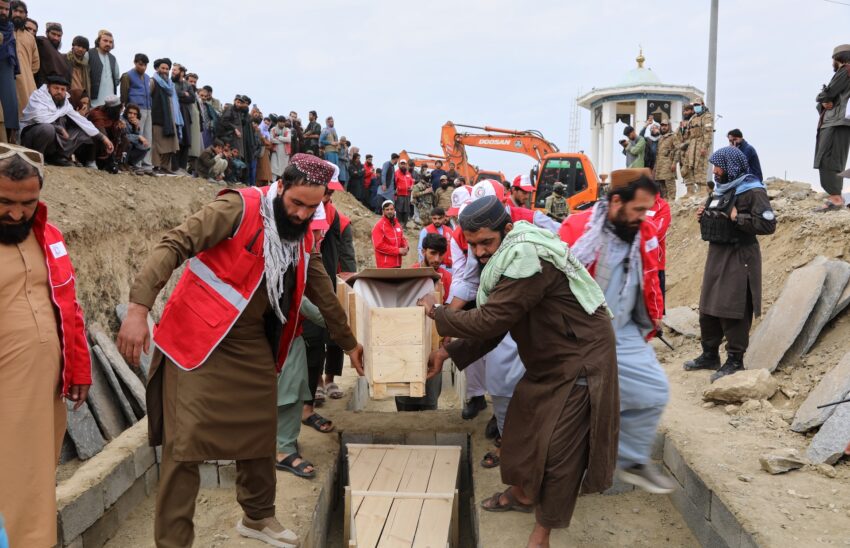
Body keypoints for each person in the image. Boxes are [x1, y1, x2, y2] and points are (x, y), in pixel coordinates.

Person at [116, 153, 364, 548]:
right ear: (279, 186)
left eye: (311, 208)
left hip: (250, 343)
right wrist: (137, 308)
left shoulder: (303, 236)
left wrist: (350, 344)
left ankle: (257, 516)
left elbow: (322, 290)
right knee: (185, 445)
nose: (301, 214)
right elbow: (175, 243)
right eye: (296, 203)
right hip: (197, 341)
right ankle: (173, 541)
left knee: (261, 433)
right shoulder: (239, 207)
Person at [421, 195, 618, 548]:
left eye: (486, 242)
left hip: (580, 358)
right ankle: (524, 493)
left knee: (558, 451)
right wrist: (446, 352)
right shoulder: (508, 260)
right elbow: (497, 324)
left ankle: (542, 534)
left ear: (507, 230)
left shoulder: (529, 258)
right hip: (549, 359)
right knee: (521, 425)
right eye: (473, 245)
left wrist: (438, 313)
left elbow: (489, 320)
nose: (480, 252)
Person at [562, 168, 676, 495]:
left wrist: (652, 317)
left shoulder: (644, 231)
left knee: (654, 392)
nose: (643, 217)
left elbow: (651, 278)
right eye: (638, 209)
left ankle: (630, 460)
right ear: (615, 202)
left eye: (646, 210)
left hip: (624, 331)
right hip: (578, 335)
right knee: (574, 410)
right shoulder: (577, 230)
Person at [0, 144, 91, 547]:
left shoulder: (49, 236)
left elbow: (70, 306)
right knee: (11, 479)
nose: (16, 214)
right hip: (7, 392)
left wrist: (79, 368)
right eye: (5, 202)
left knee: (37, 477)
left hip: (46, 390)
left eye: (28, 203)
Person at [684, 147, 776, 381]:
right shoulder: (720, 190)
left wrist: (737, 217)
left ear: (731, 167)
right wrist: (704, 216)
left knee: (734, 308)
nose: (715, 171)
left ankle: (735, 360)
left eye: (718, 166)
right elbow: (718, 216)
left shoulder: (753, 191)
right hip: (717, 255)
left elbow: (768, 225)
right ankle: (709, 355)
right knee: (708, 307)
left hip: (740, 256)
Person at [396, 232, 451, 412]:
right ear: (423, 251)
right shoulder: (411, 273)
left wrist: (446, 338)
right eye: (432, 253)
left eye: (441, 254)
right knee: (406, 395)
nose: (437, 259)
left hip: (435, 343)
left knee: (430, 396)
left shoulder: (446, 277)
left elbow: (450, 309)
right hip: (409, 340)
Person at [276, 299, 324, 479]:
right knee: (290, 393)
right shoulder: (291, 289)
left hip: (275, 339)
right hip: (280, 341)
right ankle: (284, 451)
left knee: (285, 391)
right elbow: (323, 316)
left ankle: (282, 445)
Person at [20, 75, 112, 166]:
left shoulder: (65, 104)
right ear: (48, 88)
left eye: (63, 89)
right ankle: (36, 157)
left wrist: (104, 138)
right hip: (31, 137)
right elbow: (40, 119)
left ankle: (57, 157)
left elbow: (81, 121)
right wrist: (59, 128)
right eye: (56, 88)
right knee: (47, 129)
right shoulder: (38, 97)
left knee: (84, 132)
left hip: (53, 139)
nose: (59, 92)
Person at [813, 44, 850, 212]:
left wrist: (821, 98)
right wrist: (823, 101)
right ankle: (835, 197)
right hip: (835, 122)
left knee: (829, 158)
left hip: (836, 122)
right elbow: (826, 100)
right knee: (830, 158)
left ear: (838, 58)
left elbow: (827, 94)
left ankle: (836, 199)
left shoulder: (846, 70)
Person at [119, 53, 152, 170]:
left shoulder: (147, 78)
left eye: (145, 65)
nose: (143, 67)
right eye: (140, 64)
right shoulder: (127, 76)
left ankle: (147, 164)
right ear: (135, 63)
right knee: (138, 135)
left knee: (148, 136)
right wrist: (125, 108)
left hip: (148, 109)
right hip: (135, 109)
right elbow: (124, 94)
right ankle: (137, 164)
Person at [149, 58, 178, 174]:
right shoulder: (152, 81)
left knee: (170, 143)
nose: (165, 71)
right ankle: (156, 166)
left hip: (169, 119)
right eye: (163, 68)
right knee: (157, 144)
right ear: (157, 68)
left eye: (167, 69)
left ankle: (165, 167)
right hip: (157, 117)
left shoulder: (170, 85)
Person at [679, 101, 714, 194]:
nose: (696, 107)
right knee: (687, 167)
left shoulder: (707, 116)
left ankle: (702, 192)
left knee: (700, 167)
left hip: (701, 144)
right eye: (694, 105)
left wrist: (705, 147)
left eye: (697, 105)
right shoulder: (693, 118)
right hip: (691, 145)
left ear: (702, 105)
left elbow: (708, 133)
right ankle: (690, 192)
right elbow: (688, 134)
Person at [11, 1, 38, 117]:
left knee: (25, 117)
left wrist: (24, 73)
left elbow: (35, 65)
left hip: (26, 84)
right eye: (15, 11)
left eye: (21, 12)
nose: (18, 14)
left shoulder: (30, 38)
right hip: (5, 79)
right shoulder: (4, 31)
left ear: (26, 15)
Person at [86, 94, 124, 172]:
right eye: (119, 109)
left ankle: (114, 163)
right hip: (90, 144)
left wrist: (119, 127)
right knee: (98, 136)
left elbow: (114, 131)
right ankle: (91, 161)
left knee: (124, 139)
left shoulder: (112, 115)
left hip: (106, 144)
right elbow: (101, 132)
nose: (121, 111)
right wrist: (107, 141)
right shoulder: (97, 114)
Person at [0, 0, 19, 142]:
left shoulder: (10, 28)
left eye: (6, 9)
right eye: (0, 8)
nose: (3, 12)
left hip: (7, 69)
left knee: (10, 108)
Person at [372, 199, 408, 268]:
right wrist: (397, 250)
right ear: (383, 211)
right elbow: (378, 246)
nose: (390, 211)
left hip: (397, 264)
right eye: (387, 209)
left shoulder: (397, 224)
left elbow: (402, 238)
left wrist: (406, 247)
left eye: (391, 209)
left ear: (394, 210)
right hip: (385, 266)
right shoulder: (379, 226)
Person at [170, 63, 192, 174]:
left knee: (186, 141)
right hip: (174, 114)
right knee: (176, 139)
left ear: (182, 72)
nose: (172, 71)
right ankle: (174, 167)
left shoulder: (188, 85)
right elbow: (173, 95)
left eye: (175, 70)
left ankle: (182, 167)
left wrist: (180, 96)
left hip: (186, 114)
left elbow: (192, 98)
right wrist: (184, 94)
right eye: (172, 69)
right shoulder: (170, 83)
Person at [35, 22, 69, 89]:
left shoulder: (62, 56)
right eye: (53, 34)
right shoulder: (42, 42)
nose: (56, 38)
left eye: (59, 36)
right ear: (47, 33)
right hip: (42, 87)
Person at [653, 120, 679, 199]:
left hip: (668, 165)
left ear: (669, 126)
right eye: (662, 125)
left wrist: (674, 163)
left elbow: (678, 150)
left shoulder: (673, 136)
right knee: (662, 186)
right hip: (660, 166)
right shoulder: (661, 138)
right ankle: (665, 202)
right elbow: (658, 154)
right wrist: (655, 168)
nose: (663, 127)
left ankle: (671, 202)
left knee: (670, 184)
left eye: (665, 125)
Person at [120, 102, 150, 172]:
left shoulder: (135, 122)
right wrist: (138, 137)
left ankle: (129, 164)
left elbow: (137, 136)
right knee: (128, 144)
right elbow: (123, 136)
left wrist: (136, 127)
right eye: (130, 113)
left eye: (135, 114)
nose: (132, 115)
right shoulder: (122, 120)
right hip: (121, 145)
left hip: (130, 144)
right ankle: (121, 163)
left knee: (144, 146)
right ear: (126, 113)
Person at [65, 35, 90, 99]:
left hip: (82, 98)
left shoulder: (85, 65)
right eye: (78, 46)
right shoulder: (64, 59)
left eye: (84, 47)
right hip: (67, 97)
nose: (80, 49)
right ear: (73, 46)